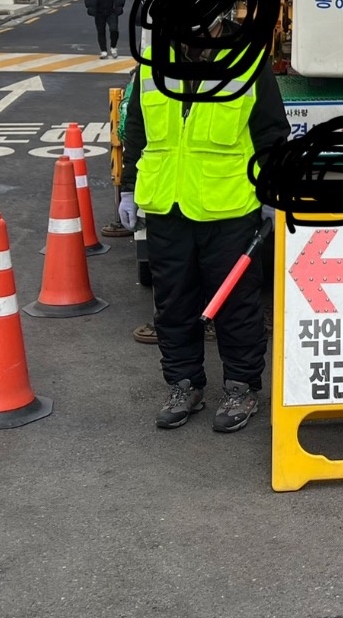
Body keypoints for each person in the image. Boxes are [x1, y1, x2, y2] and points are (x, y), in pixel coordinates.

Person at [118, 26, 288, 431]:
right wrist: (127, 188)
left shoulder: (247, 60)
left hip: (229, 206)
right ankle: (184, 384)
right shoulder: (152, 63)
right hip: (167, 204)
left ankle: (242, 387)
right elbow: (137, 133)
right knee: (173, 303)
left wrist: (271, 190)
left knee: (237, 306)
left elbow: (271, 132)